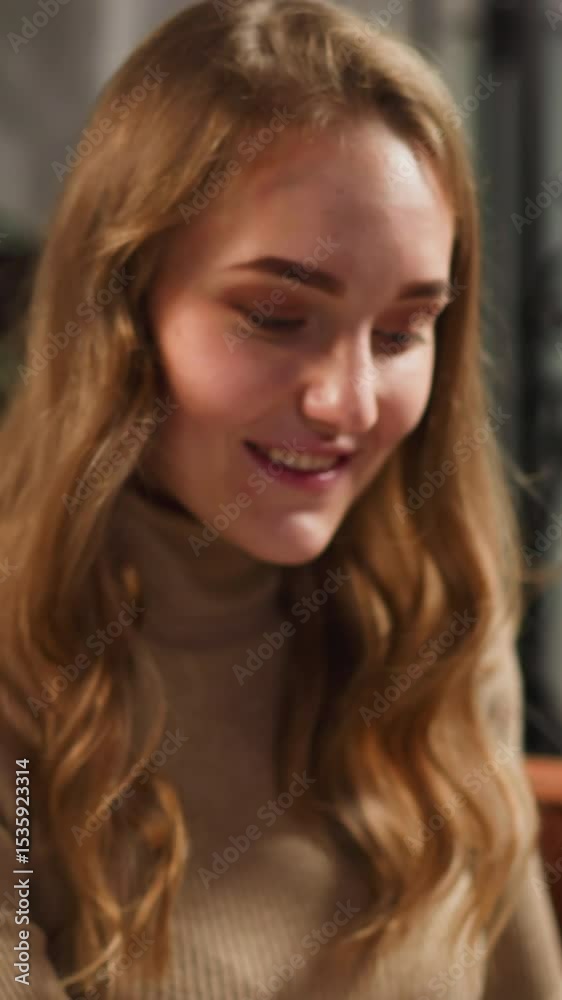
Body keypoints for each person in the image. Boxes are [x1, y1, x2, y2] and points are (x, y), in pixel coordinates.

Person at [0, 0, 560, 996]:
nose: (349, 403)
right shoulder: (21, 678)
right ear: (123, 307)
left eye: (400, 333)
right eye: (276, 315)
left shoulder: (437, 618)